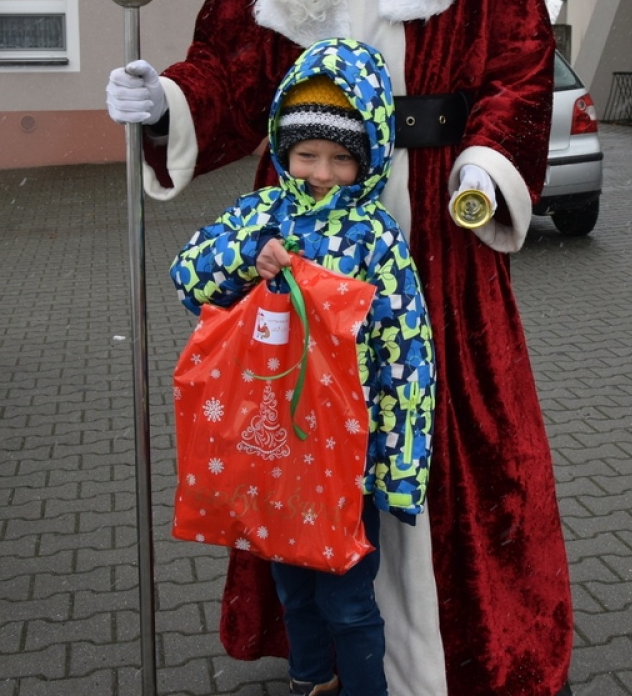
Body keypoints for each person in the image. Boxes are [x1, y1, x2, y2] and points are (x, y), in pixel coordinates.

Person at [108, 0, 572, 696]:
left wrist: (486, 160)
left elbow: (523, 63)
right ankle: (332, 654)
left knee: (449, 439)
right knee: (296, 437)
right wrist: (169, 101)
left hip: (432, 227)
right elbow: (232, 69)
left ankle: (470, 657)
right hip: (301, 231)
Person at [170, 38, 435, 696]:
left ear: (366, 158)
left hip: (345, 455)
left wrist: (398, 465)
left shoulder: (376, 237)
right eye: (308, 153)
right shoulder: (261, 216)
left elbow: (408, 350)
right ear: (284, 150)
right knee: (291, 586)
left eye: (341, 157)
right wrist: (247, 259)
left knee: (348, 598)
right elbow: (188, 278)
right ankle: (311, 682)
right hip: (271, 449)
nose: (321, 170)